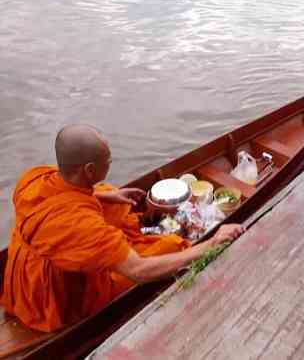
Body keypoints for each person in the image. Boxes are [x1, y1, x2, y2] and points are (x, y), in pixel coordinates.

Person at [1, 124, 244, 332]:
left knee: (107, 193)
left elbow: (69, 194)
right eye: (107, 161)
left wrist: (111, 196)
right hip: (52, 295)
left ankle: (121, 235)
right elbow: (138, 271)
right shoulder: (82, 227)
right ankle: (133, 246)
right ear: (89, 170)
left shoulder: (34, 177)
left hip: (25, 264)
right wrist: (212, 243)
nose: (110, 164)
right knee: (170, 246)